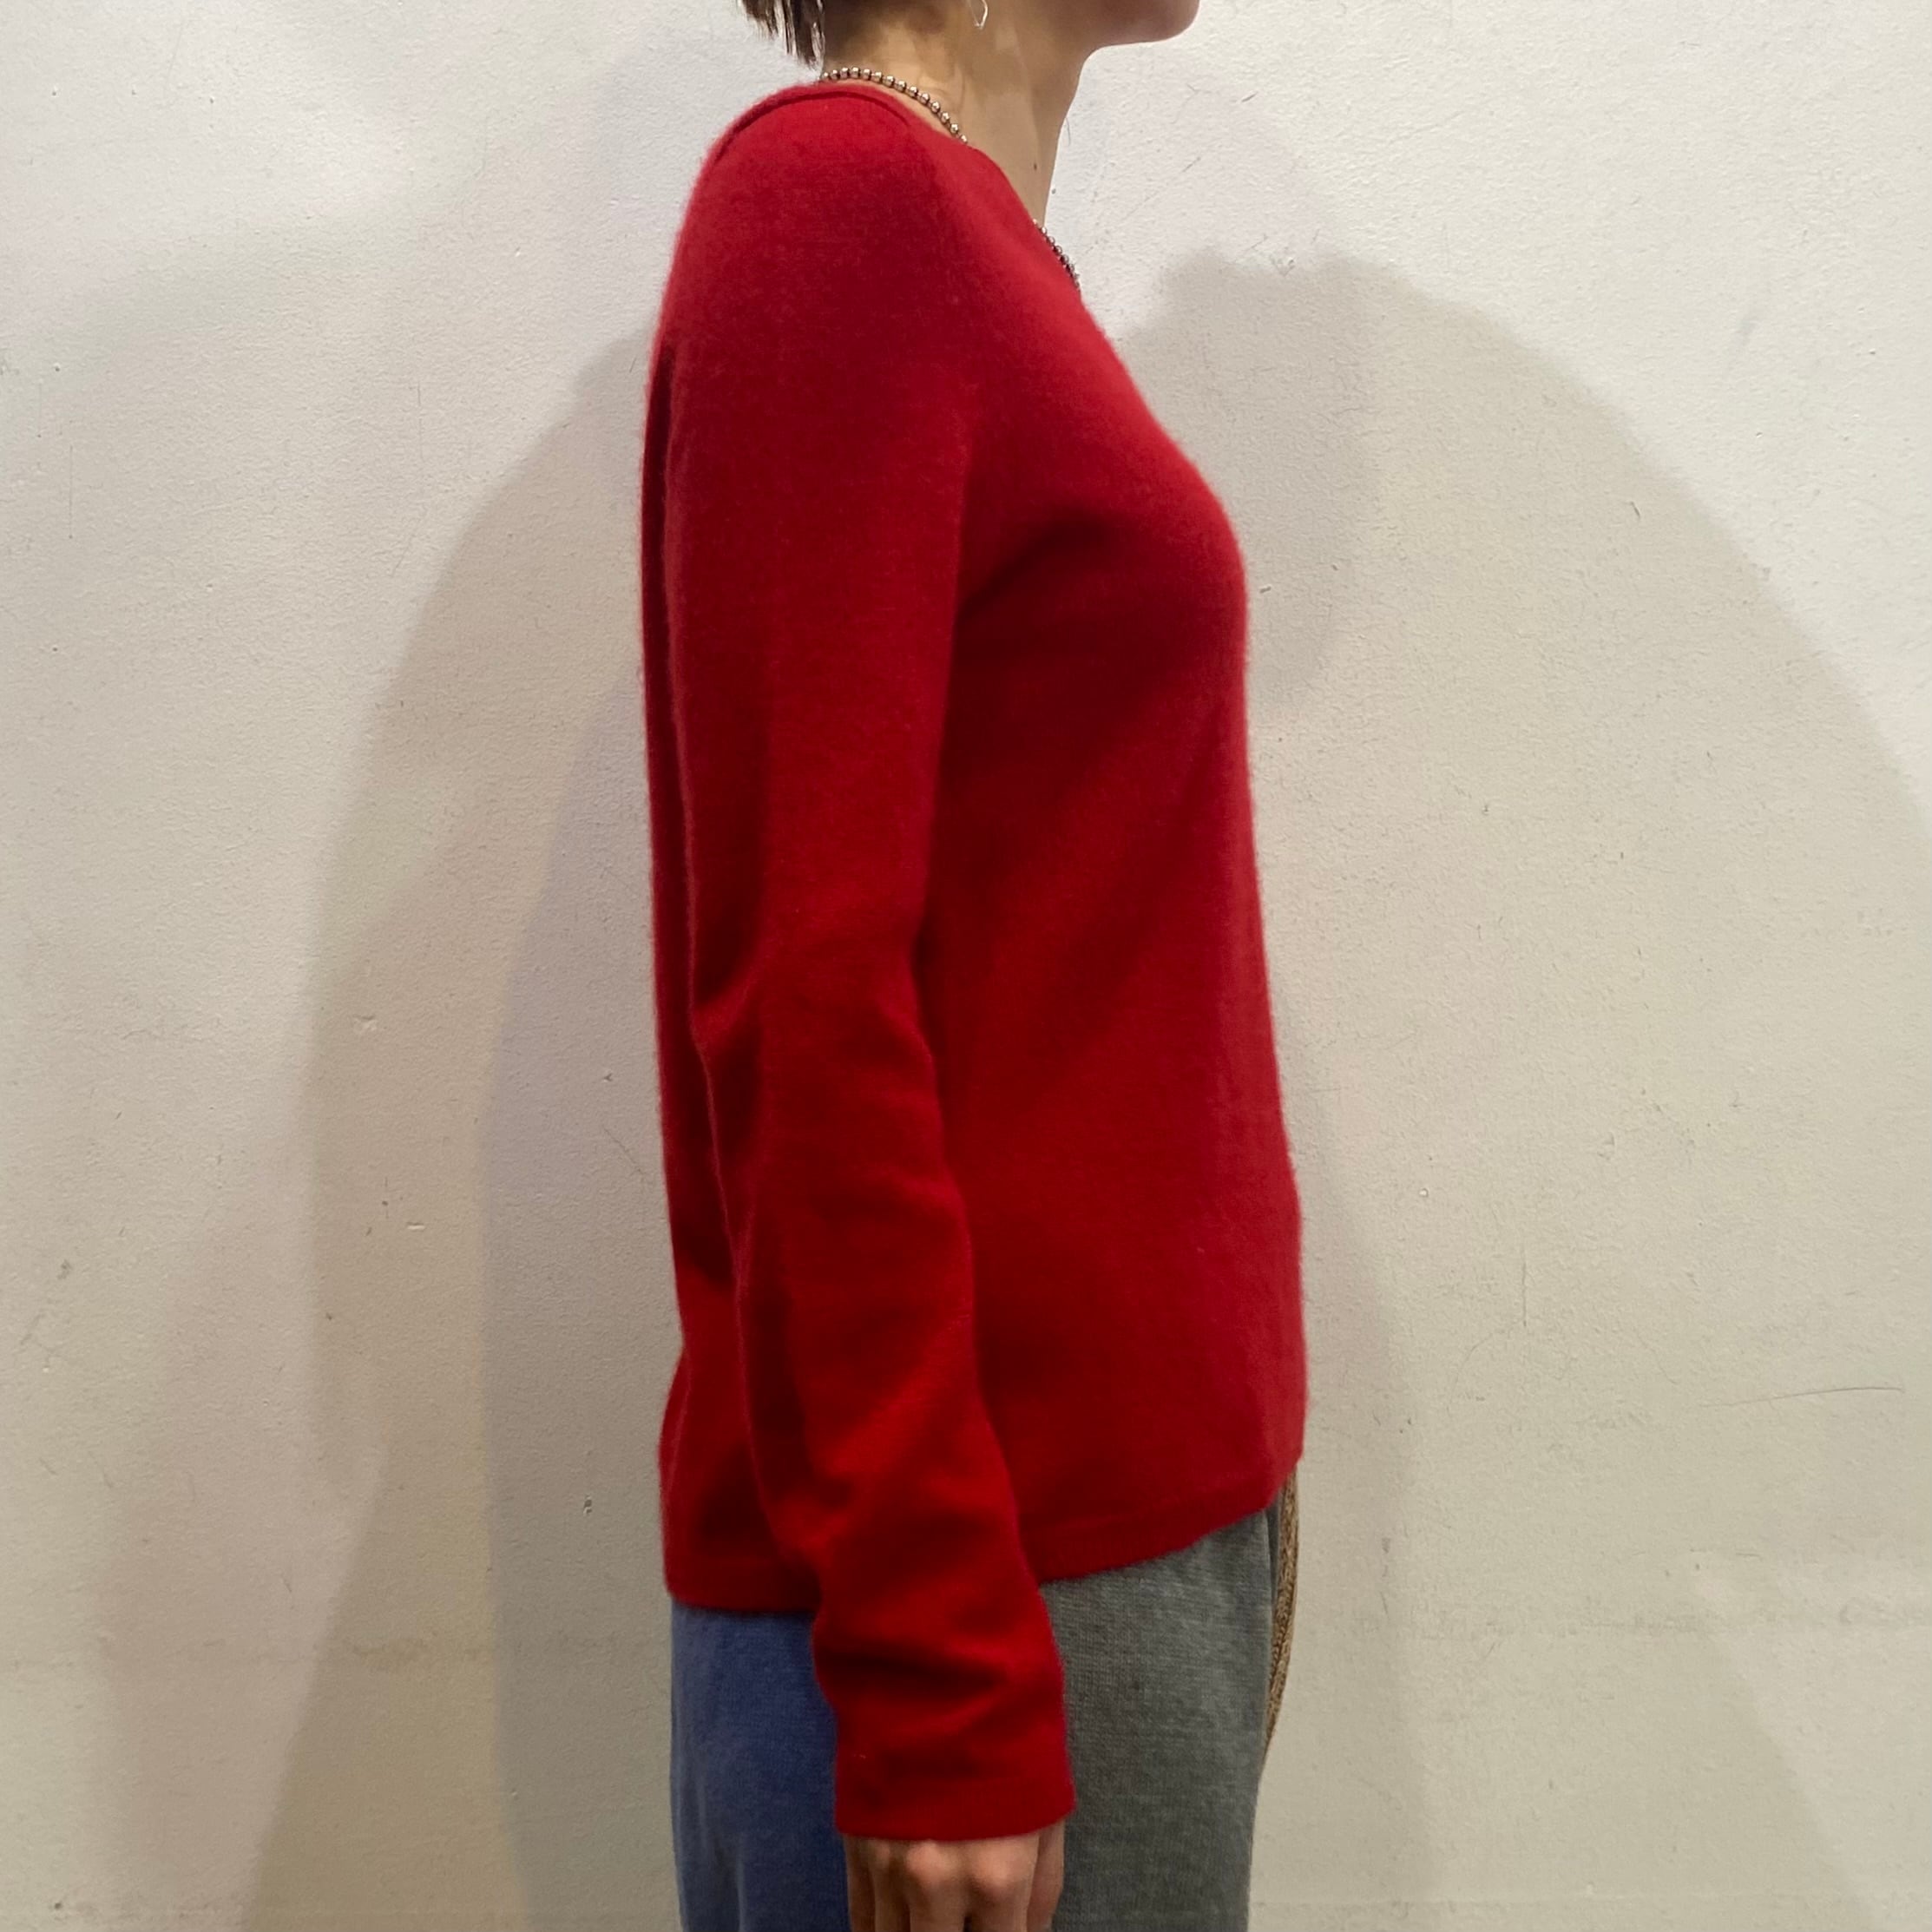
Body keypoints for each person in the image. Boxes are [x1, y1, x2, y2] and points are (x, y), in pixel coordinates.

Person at [638, 2, 1308, 1926]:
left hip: (1103, 1539)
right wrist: (938, 1672)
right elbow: (805, 996)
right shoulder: (839, 208)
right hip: (987, 1584)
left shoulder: (965, 243)